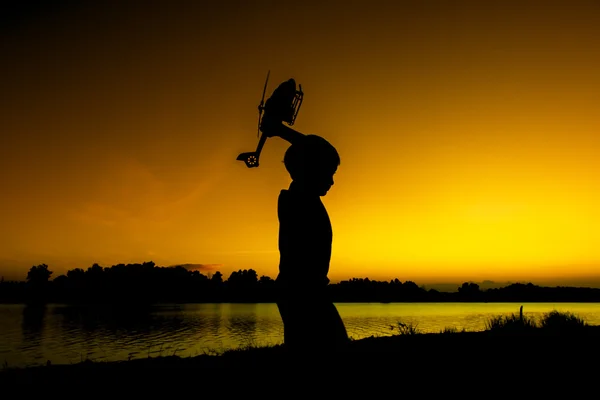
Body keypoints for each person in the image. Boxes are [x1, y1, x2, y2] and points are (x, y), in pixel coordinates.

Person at [260, 96, 349, 353]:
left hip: (301, 292)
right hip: (304, 294)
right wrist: (282, 131)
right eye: (329, 173)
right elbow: (314, 150)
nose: (332, 181)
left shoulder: (298, 197)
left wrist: (281, 131)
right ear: (310, 169)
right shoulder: (298, 200)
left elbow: (313, 152)